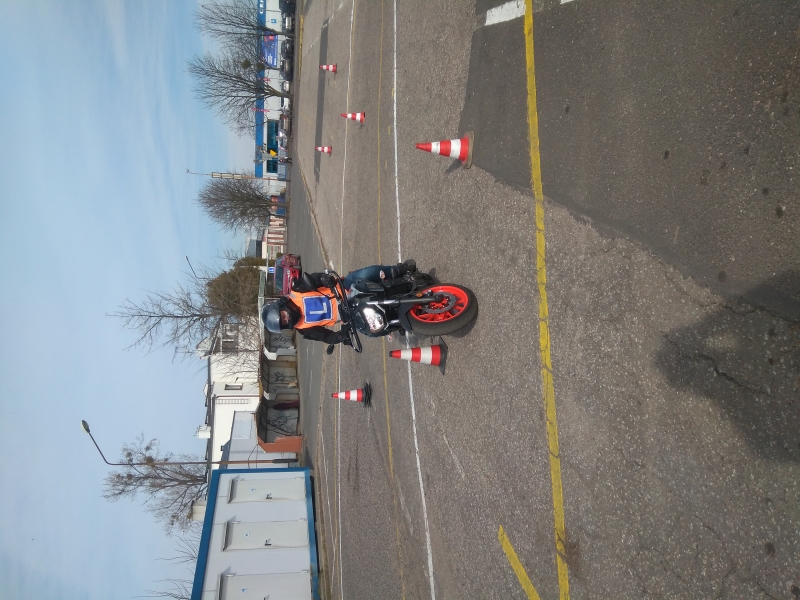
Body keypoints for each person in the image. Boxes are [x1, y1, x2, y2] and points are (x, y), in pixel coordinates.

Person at [262, 260, 417, 345]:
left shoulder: (297, 290)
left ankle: (398, 270)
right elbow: (325, 336)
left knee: (365, 274)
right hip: (348, 315)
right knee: (372, 331)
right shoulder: (303, 330)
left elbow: (313, 279)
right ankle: (398, 323)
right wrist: (340, 337)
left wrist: (323, 278)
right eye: (284, 322)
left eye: (283, 315)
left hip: (344, 289)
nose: (287, 318)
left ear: (282, 305)